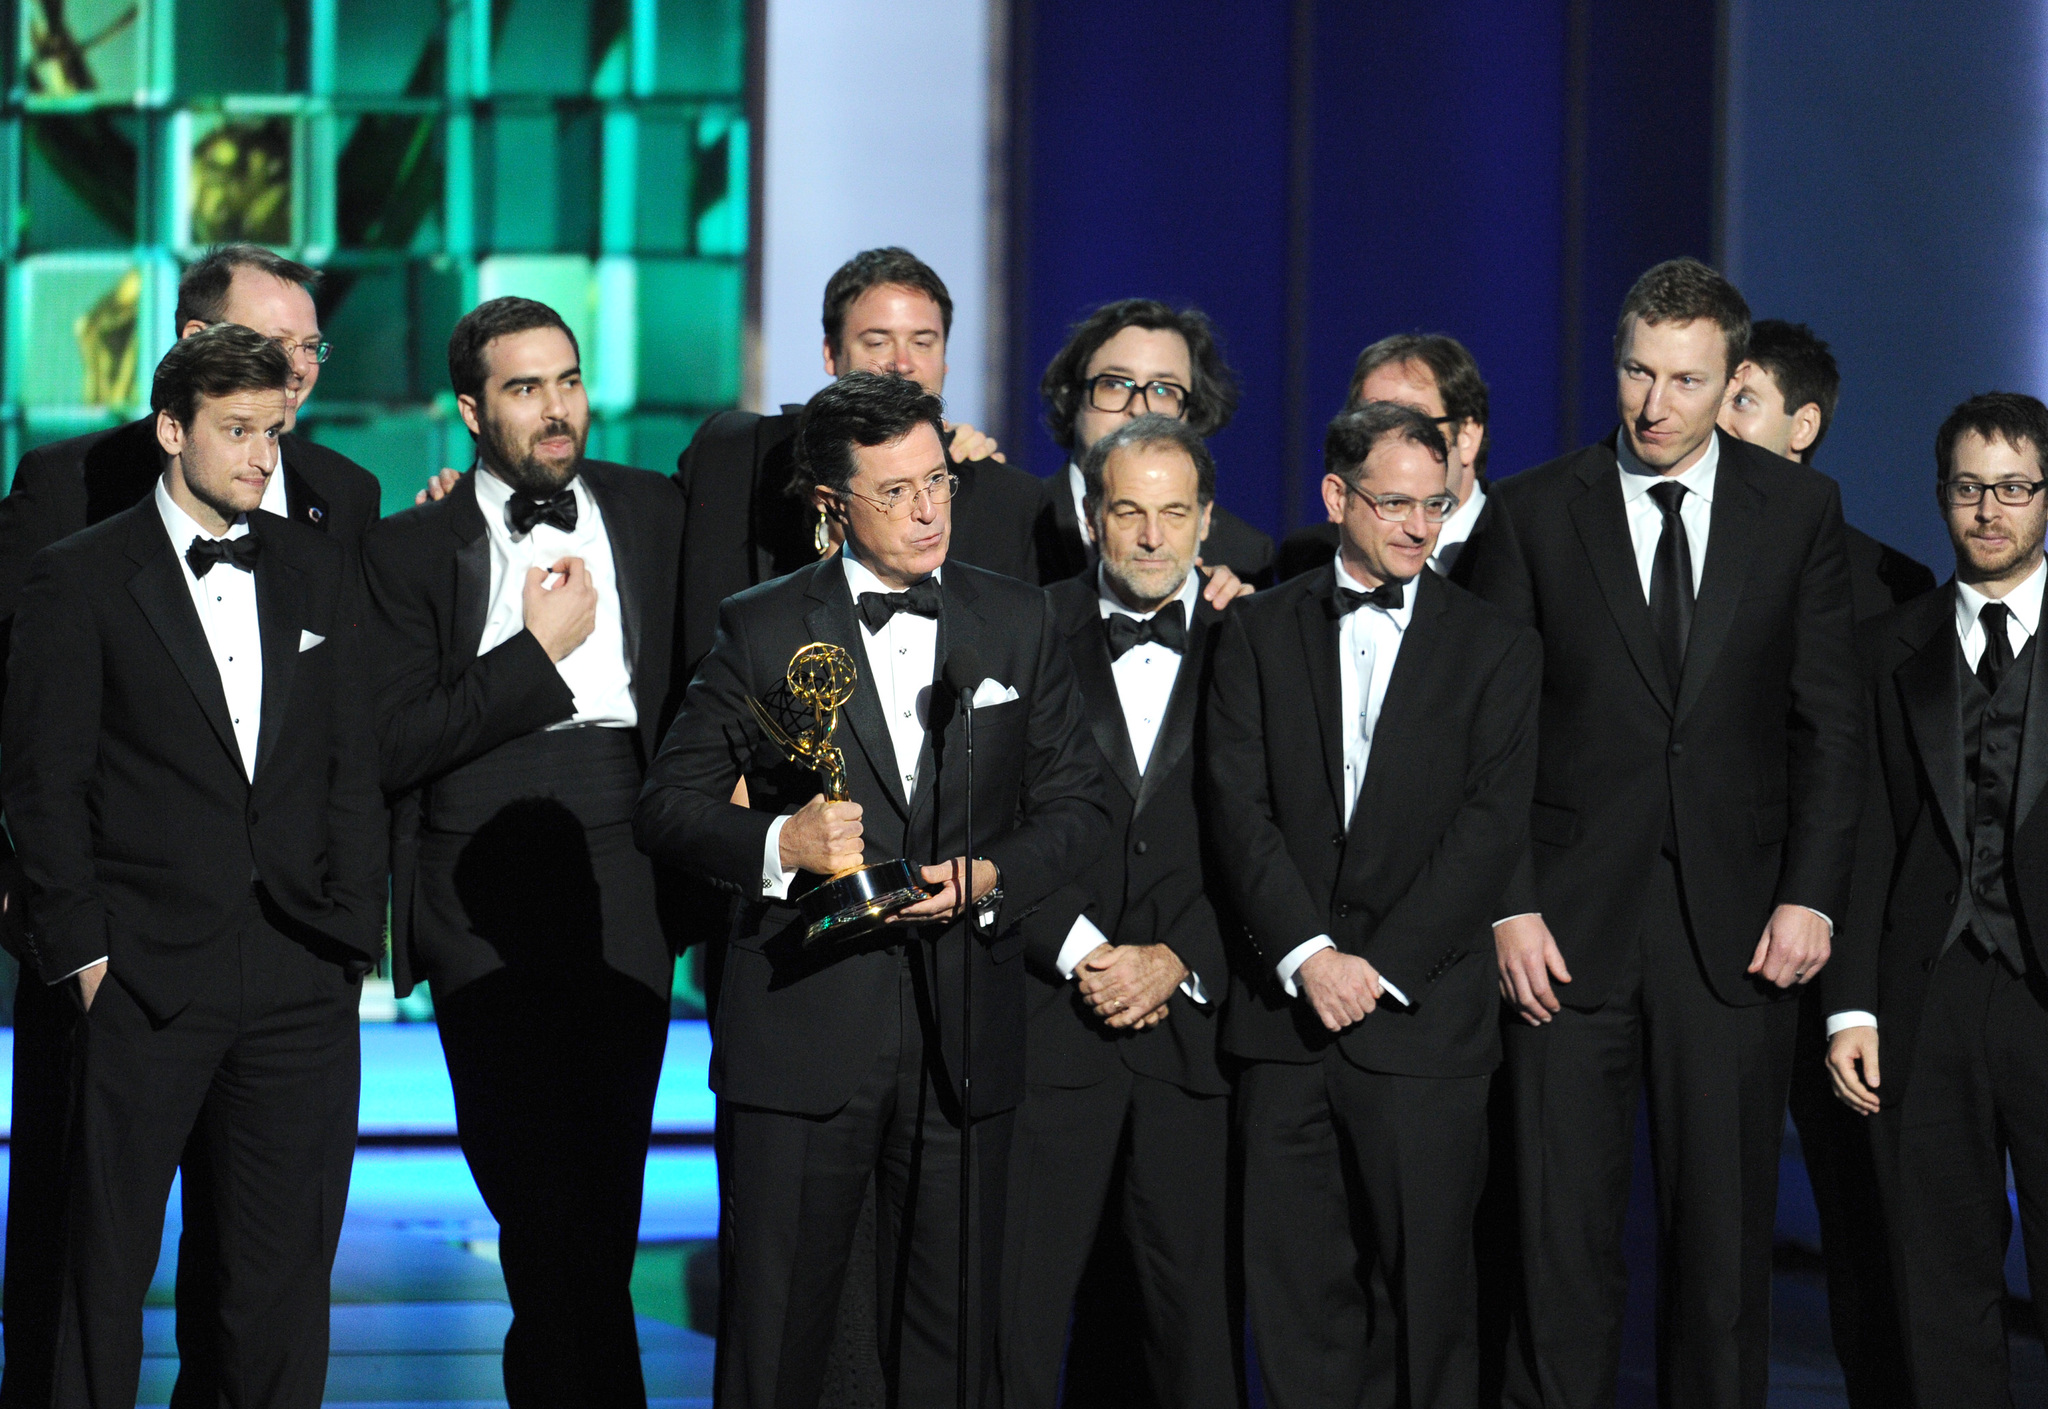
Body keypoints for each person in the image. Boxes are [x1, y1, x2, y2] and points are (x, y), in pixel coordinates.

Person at [635, 371, 1107, 1407]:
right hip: (804, 1024)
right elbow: (664, 805)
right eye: (894, 491)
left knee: (950, 1345)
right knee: (777, 1343)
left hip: (964, 1031)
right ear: (829, 502)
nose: (928, 507)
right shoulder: (760, 626)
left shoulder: (1014, 618)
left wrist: (992, 875)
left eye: (935, 479)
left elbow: (1080, 803)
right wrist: (779, 839)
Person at [1463, 258, 1863, 1409]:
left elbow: (1826, 726)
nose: (1653, 404)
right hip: (1562, 930)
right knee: (1557, 1248)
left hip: (1735, 927)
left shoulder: (1795, 511)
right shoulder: (1536, 511)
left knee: (1723, 1257)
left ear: (1732, 377)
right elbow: (1482, 739)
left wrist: (1810, 893)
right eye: (1637, 371)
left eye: (1684, 380)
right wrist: (1507, 898)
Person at [0, 242, 380, 1409]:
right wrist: (83, 952)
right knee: (92, 1279)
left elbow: (348, 761)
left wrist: (345, 939)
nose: (270, 457)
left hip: (296, 980)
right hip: (137, 974)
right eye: (242, 431)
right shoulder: (79, 568)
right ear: (173, 425)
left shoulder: (319, 561)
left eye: (276, 430)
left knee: (273, 1293)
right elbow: (41, 777)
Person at [362, 297, 684, 1407]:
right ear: (468, 408)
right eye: (522, 387)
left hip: (624, 859)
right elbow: (392, 739)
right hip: (472, 873)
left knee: (603, 1199)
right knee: (535, 1196)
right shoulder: (409, 547)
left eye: (567, 379)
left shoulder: (656, 509)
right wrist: (535, 660)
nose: (556, 410)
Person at [1205, 401, 1539, 1409]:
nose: (1416, 526)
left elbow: (1488, 828)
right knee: (1296, 1302)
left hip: (1422, 1021)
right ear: (1334, 497)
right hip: (1283, 1021)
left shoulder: (1495, 645)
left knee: (1428, 1306)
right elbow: (1235, 803)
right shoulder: (1255, 629)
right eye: (1392, 503)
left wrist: (1378, 964)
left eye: (1433, 505)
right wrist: (1308, 952)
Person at [1000, 415, 1238, 1409]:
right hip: (1045, 1022)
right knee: (1012, 1322)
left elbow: (1281, 840)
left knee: (1194, 1336)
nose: (1150, 535)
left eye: (1172, 513)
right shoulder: (1020, 625)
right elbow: (985, 811)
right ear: (1090, 514)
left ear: (1205, 521)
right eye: (1127, 510)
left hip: (1197, 1035)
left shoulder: (1254, 636)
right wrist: (1083, 947)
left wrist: (1175, 955)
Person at [1716, 315, 1928, 1409]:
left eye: (1739, 395)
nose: (1710, 412)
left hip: (1844, 956)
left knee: (1869, 1221)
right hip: (1704, 939)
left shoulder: (1886, 584)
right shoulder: (1658, 549)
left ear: (1802, 426)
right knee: (1711, 1233)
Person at [1826, 392, 2048, 1408]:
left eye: (2010, 487)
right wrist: (1850, 1003)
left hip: (2042, 997)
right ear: (1939, 498)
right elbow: (1861, 835)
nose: (1987, 510)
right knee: (1936, 1274)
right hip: (1927, 992)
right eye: (1967, 488)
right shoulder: (1887, 648)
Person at [672, 246, 1044, 674]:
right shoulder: (734, 454)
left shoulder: (1006, 497)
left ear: (944, 360)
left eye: (922, 342)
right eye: (877, 341)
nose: (902, 364)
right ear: (831, 352)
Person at [1033, 299, 1273, 594]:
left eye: (1163, 390)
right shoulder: (1011, 522)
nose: (1138, 408)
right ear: (1071, 396)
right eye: (1114, 384)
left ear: (1190, 413)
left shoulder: (1244, 554)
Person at [1721, 319, 1936, 618]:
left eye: (1742, 401)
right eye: (1714, 399)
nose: (1715, 421)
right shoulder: (1665, 545)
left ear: (1803, 427)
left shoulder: (1892, 588)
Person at [1275, 333, 1493, 585]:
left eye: (1414, 423)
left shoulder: (1523, 545)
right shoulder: (1310, 554)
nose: (1388, 441)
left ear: (1467, 437)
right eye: (1370, 422)